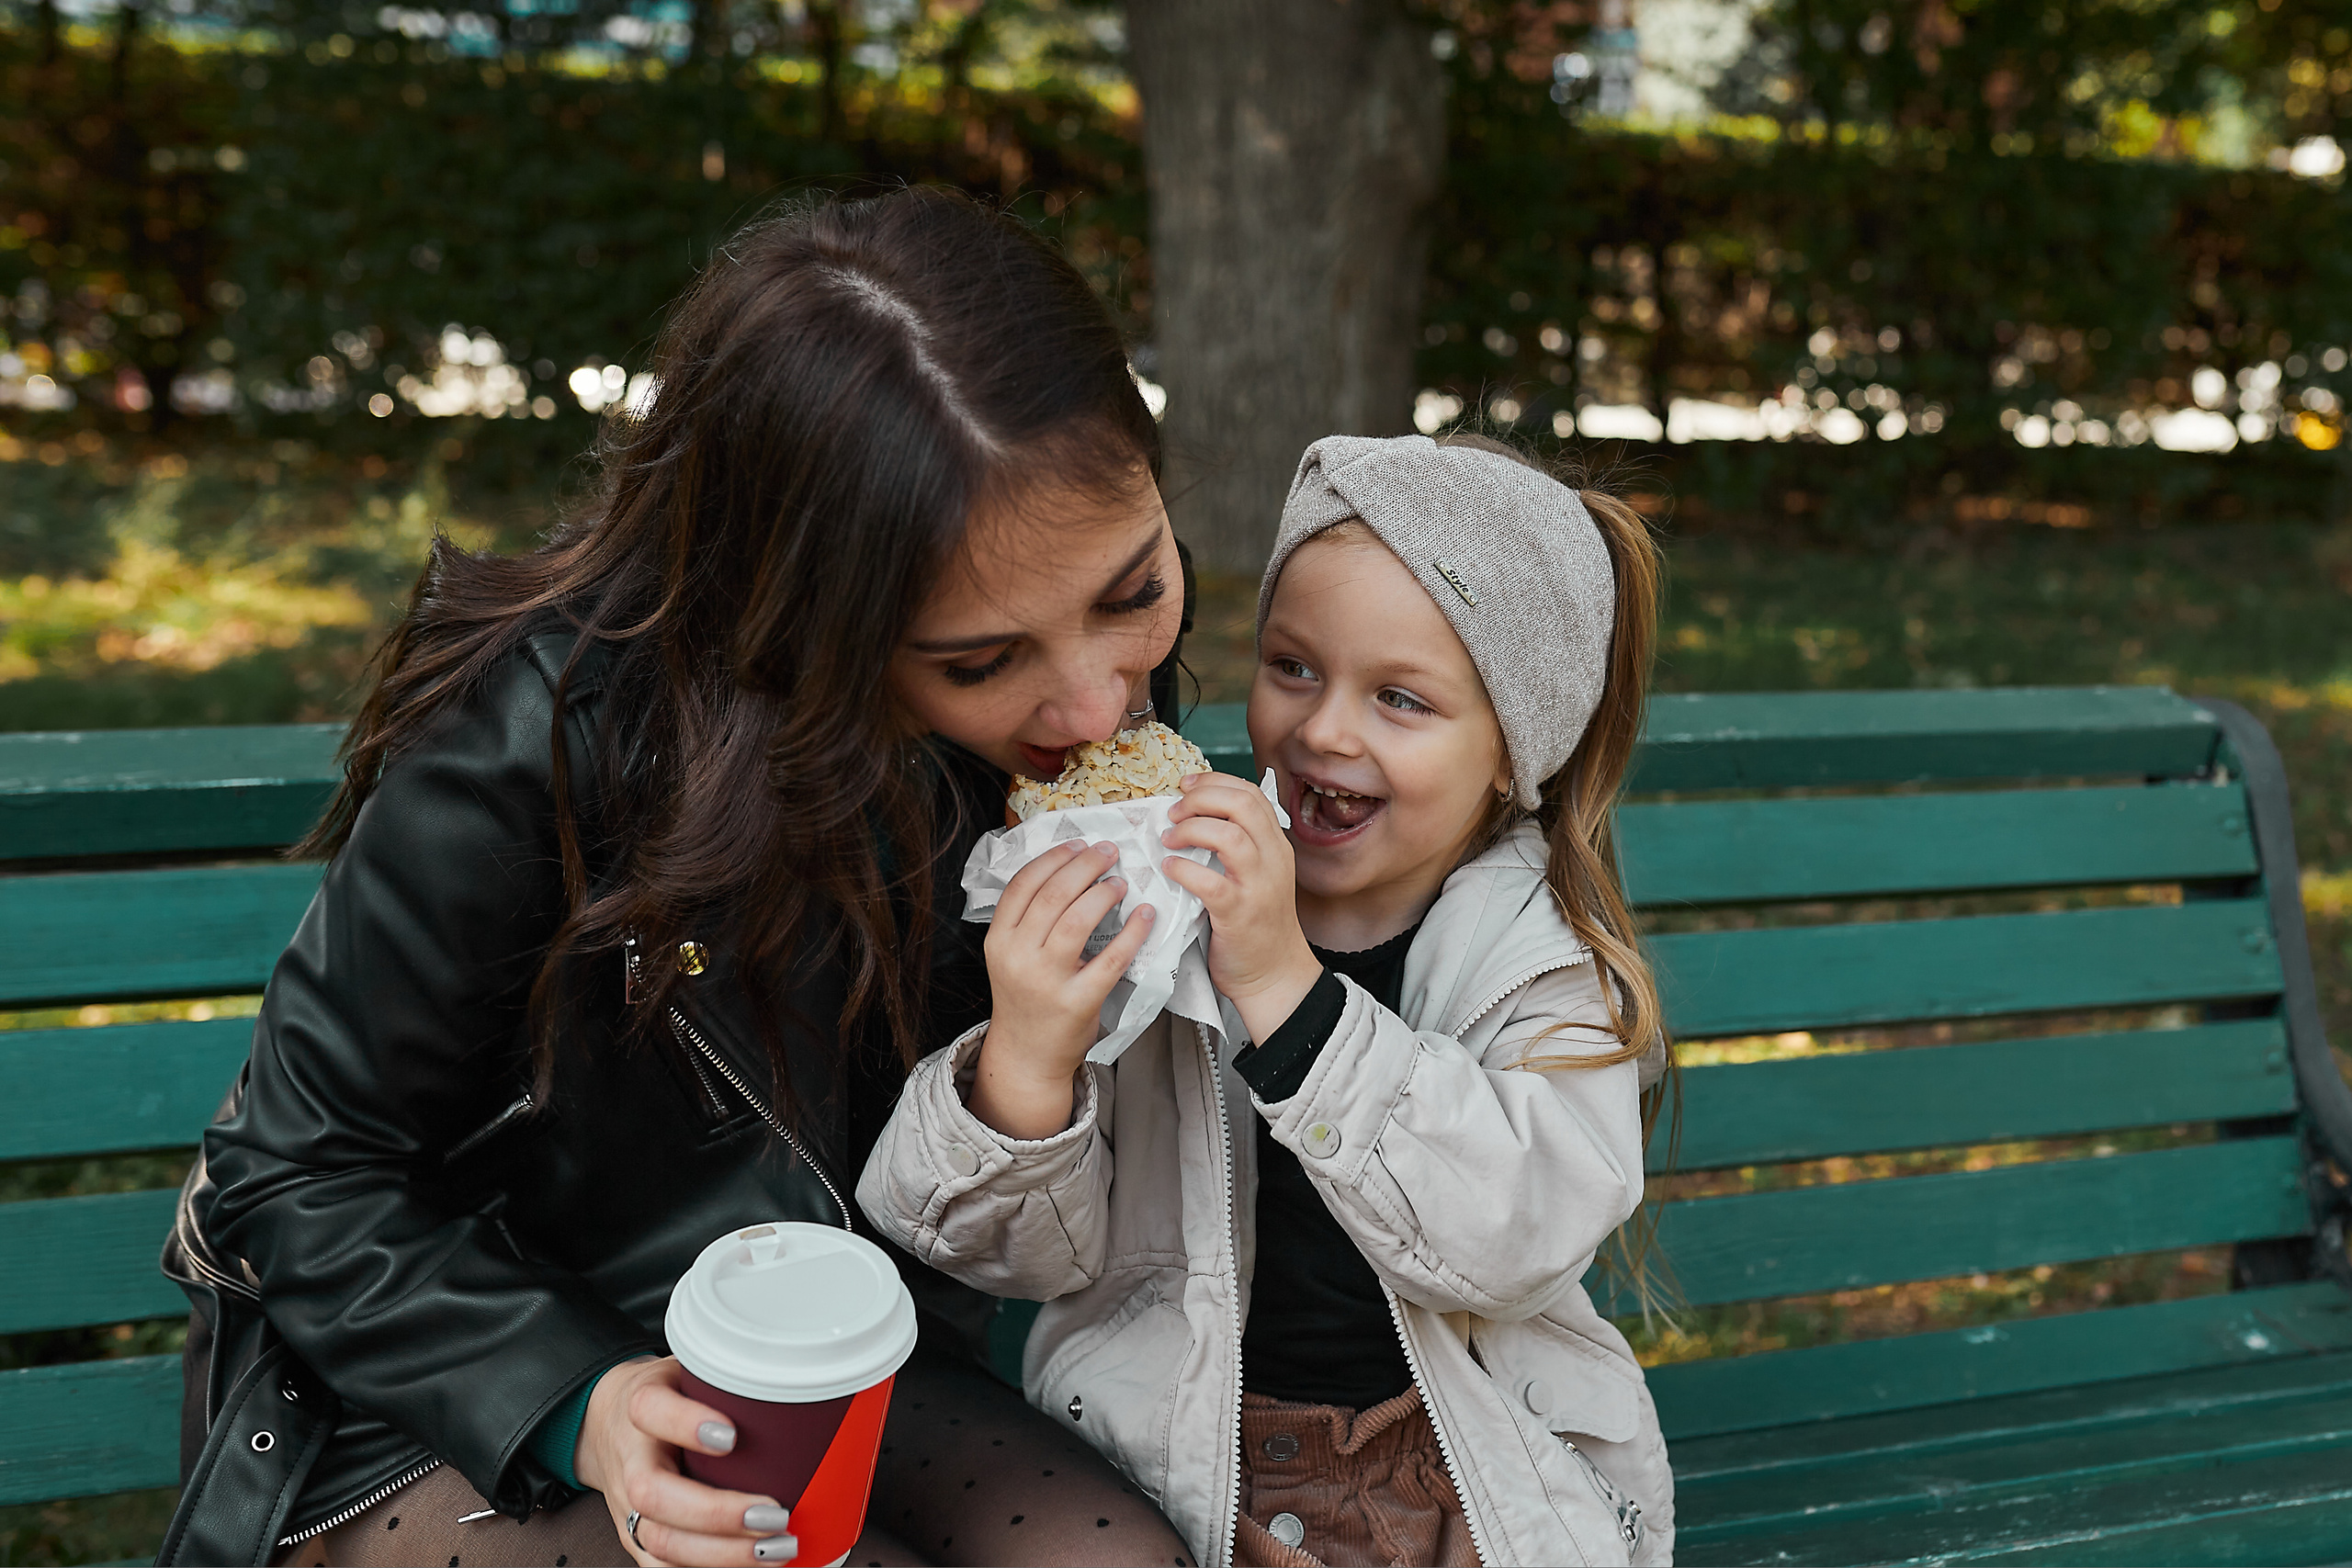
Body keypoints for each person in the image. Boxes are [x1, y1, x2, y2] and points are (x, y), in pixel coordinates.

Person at [160, 187, 1200, 1568]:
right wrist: (584, 1406)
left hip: (815, 1350)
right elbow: (294, 1174)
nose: (1096, 699)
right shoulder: (540, 735)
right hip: (439, 1402)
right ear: (810, 612)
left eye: (1133, 593)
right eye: (979, 661)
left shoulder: (1057, 738)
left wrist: (1029, 1067)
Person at [861, 432, 1678, 1567]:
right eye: (1293, 667)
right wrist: (1028, 1062)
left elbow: (1519, 1237)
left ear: (1512, 751)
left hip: (1457, 1485)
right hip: (1184, 1471)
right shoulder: (1165, 898)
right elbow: (994, 1252)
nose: (1323, 728)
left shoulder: (1540, 964)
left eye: (1400, 698)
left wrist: (1289, 995)